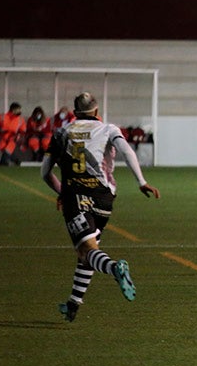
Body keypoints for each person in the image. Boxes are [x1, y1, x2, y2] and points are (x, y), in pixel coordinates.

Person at [41, 91, 161, 322]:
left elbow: (45, 172)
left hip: (76, 197)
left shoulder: (62, 132)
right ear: (97, 111)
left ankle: (116, 269)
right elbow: (127, 151)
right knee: (87, 250)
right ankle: (74, 302)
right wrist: (142, 182)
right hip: (105, 199)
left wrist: (62, 193)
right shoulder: (108, 129)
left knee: (87, 250)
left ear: (75, 113)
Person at [0, 101, 25, 166]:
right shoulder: (1, 117)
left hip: (12, 140)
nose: (20, 111)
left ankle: (4, 164)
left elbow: (22, 131)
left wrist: (19, 137)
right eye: (18, 110)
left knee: (7, 152)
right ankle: (16, 161)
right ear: (13, 110)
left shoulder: (20, 120)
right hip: (1, 139)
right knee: (5, 153)